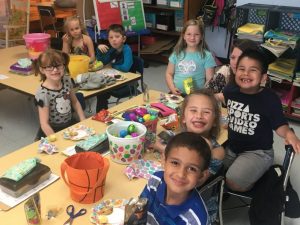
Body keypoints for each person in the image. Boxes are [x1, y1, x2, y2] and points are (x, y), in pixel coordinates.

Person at [217, 49, 300, 192]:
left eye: (252, 70)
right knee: (214, 169)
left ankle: (261, 179)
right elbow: (222, 98)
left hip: (258, 152)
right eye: (241, 69)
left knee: (232, 182)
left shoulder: (269, 99)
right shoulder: (231, 90)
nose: (245, 73)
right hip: (233, 147)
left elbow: (280, 125)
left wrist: (289, 134)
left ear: (263, 77)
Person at [140, 132, 211, 225]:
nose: (181, 174)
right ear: (164, 160)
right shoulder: (155, 181)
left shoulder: (195, 220)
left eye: (192, 169)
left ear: (201, 176)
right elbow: (140, 211)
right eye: (175, 163)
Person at [34, 49, 86, 139]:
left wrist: (83, 120)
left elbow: (75, 102)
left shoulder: (66, 80)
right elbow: (44, 124)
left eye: (58, 66)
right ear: (42, 70)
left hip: (69, 125)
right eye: (49, 67)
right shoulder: (42, 94)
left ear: (64, 66)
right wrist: (56, 140)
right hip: (52, 130)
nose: (55, 70)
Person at [165, 19, 216, 96]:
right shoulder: (176, 53)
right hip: (176, 93)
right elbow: (169, 73)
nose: (192, 38)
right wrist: (172, 88)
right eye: (189, 34)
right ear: (183, 36)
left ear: (202, 36)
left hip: (197, 95)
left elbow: (210, 80)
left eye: (196, 34)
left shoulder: (207, 56)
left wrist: (201, 94)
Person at [95, 23, 134, 112]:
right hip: (115, 80)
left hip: (127, 82)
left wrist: (112, 65)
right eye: (111, 37)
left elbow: (125, 68)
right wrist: (99, 49)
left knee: (103, 89)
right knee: (100, 90)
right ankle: (102, 114)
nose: (114, 40)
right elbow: (102, 62)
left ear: (123, 39)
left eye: (117, 37)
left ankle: (102, 113)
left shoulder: (126, 49)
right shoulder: (112, 49)